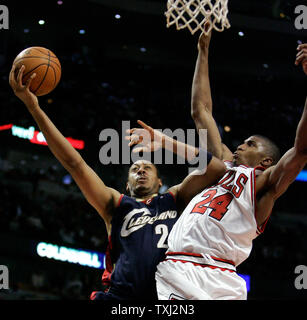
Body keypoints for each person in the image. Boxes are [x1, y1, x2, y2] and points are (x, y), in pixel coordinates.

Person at [9, 64, 226, 300]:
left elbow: (216, 168)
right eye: (135, 169)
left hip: (168, 299)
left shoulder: (175, 199)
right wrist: (33, 107)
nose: (141, 170)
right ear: (126, 184)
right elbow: (74, 163)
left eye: (147, 168)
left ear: (160, 180)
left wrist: (165, 142)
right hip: (118, 299)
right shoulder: (116, 204)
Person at [155, 33, 307, 300]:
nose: (239, 146)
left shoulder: (264, 183)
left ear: (267, 161)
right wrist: (203, 50)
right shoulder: (220, 165)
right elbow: (201, 111)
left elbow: (302, 149)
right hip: (178, 268)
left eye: (250, 144)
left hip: (222, 276)